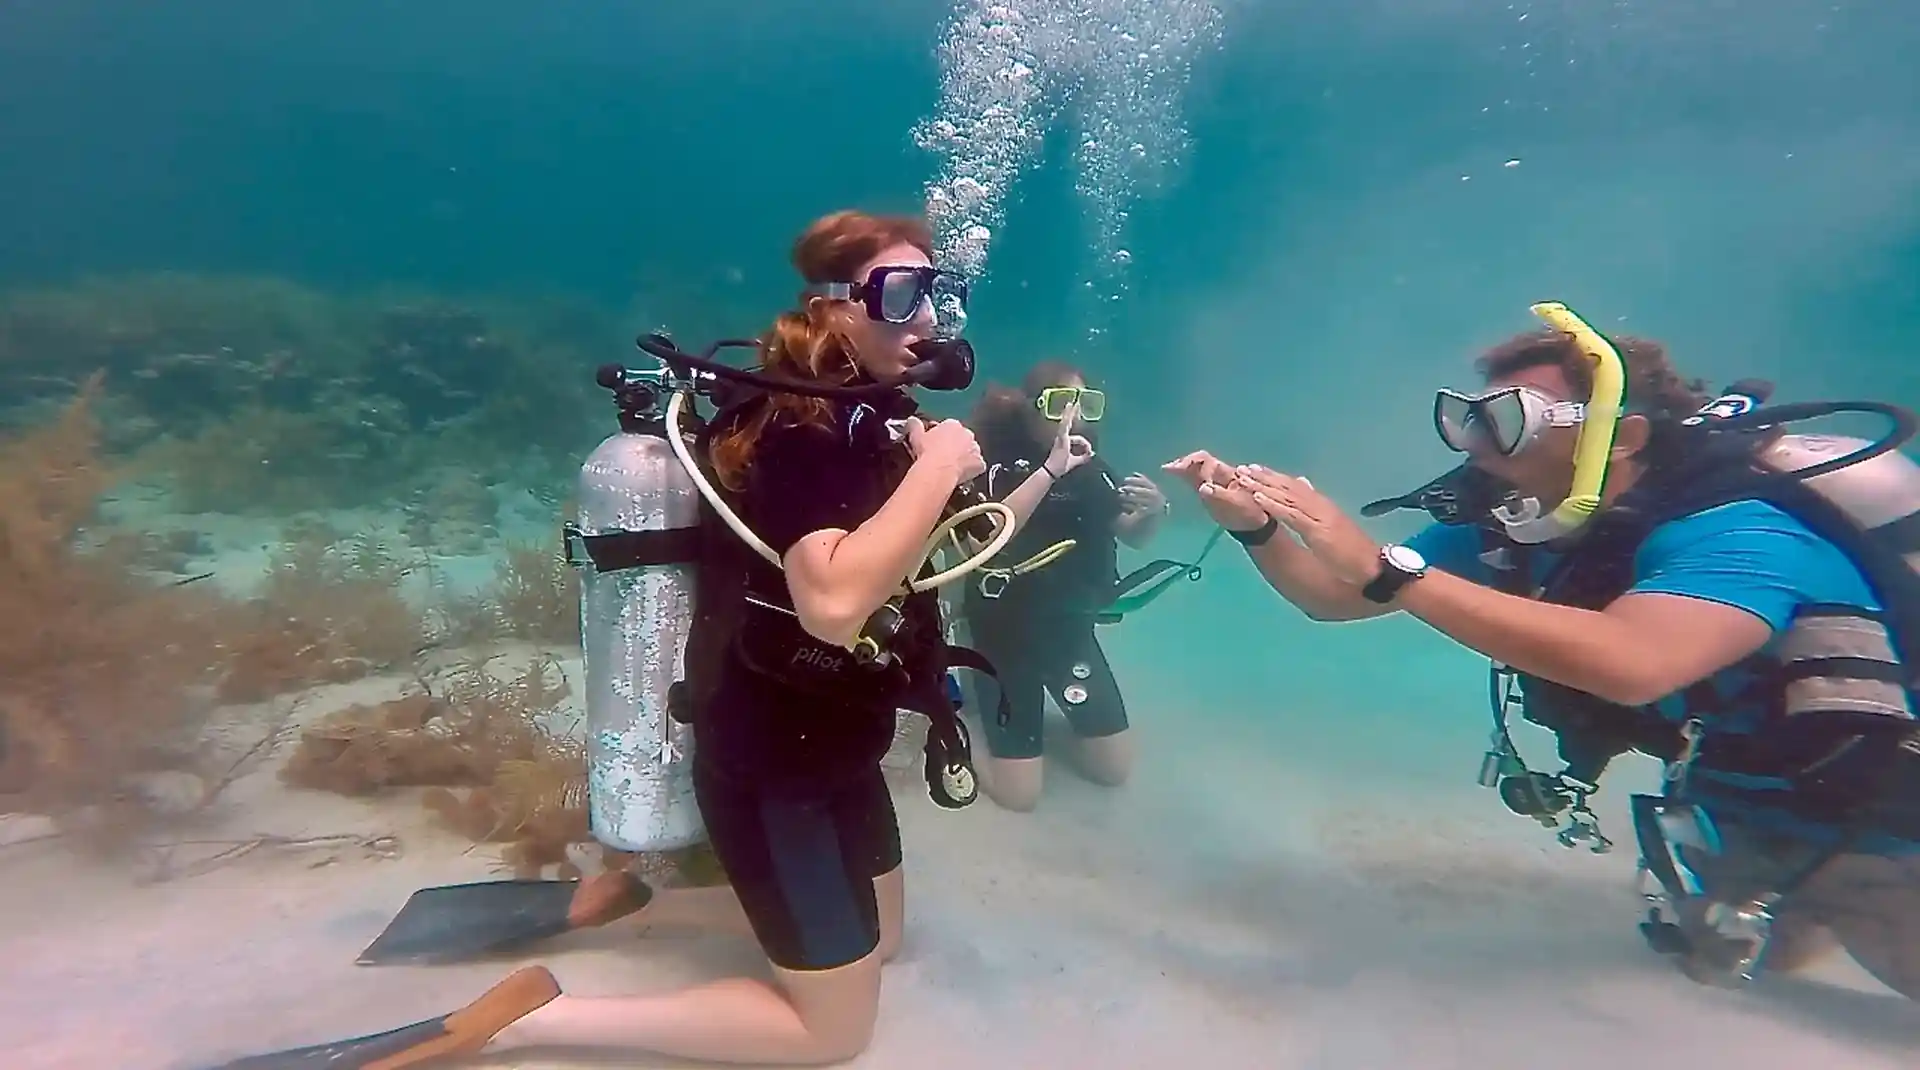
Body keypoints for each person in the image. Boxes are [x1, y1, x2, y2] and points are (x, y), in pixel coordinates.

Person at [224, 211, 987, 1068]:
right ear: (833, 305)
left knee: (884, 942)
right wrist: (933, 470)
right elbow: (834, 603)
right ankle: (529, 1022)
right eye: (904, 292)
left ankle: (623, 904)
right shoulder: (796, 426)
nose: (929, 318)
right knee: (834, 1036)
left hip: (842, 742)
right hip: (781, 767)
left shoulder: (870, 420)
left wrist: (991, 471)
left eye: (939, 291)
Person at [1164, 308, 1920, 998]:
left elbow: (1635, 664)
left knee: (1881, 934)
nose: (1476, 445)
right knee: (1729, 951)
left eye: (1507, 421)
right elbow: (1334, 598)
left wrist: (1383, 567)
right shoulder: (1511, 524)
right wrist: (1253, 527)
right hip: (1745, 780)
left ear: (1620, 437)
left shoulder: (1741, 528)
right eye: (1470, 419)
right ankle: (1814, 894)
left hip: (1886, 778)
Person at [955, 362, 1168, 809]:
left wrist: (1152, 512)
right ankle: (963, 724)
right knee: (1019, 796)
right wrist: (1051, 469)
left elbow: (1127, 532)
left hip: (1068, 632)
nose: (1076, 418)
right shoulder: (996, 464)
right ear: (1032, 411)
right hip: (1002, 635)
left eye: (1086, 405)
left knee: (1112, 771)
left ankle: (1020, 722)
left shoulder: (1092, 468)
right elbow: (991, 534)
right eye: (1060, 405)